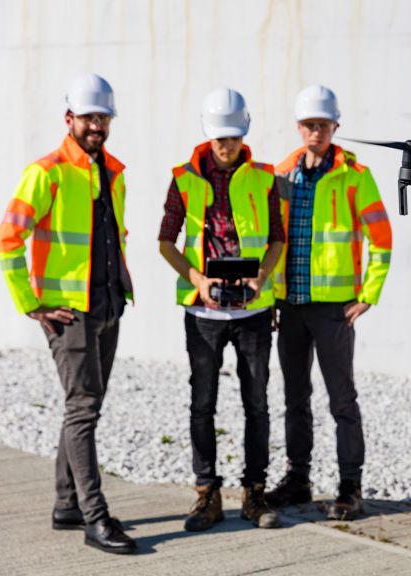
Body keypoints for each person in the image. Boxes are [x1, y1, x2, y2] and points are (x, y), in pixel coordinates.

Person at [0, 73, 136, 554]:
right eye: (89, 117)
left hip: (108, 305)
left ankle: (66, 505)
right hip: (69, 312)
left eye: (104, 117)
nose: (97, 125)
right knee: (84, 408)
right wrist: (31, 303)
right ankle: (95, 518)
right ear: (69, 119)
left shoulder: (112, 170)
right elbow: (7, 239)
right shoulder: (48, 170)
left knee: (83, 407)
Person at [158, 88, 285, 531]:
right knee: (202, 403)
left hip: (252, 313)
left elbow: (276, 240)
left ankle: (255, 493)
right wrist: (197, 280)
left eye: (232, 137)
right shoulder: (183, 177)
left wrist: (261, 278)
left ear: (244, 133)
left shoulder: (265, 178)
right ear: (208, 136)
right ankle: (207, 493)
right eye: (219, 139)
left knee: (257, 404)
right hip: (203, 315)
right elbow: (165, 241)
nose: (226, 146)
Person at [266, 85, 392, 520]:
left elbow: (382, 239)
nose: (315, 132)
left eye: (322, 125)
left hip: (334, 308)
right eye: (308, 125)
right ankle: (298, 480)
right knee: (295, 398)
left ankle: (349, 488)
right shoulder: (280, 174)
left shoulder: (355, 176)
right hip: (290, 307)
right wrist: (270, 299)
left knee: (342, 400)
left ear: (335, 127)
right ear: (299, 127)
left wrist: (368, 296)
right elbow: (270, 241)